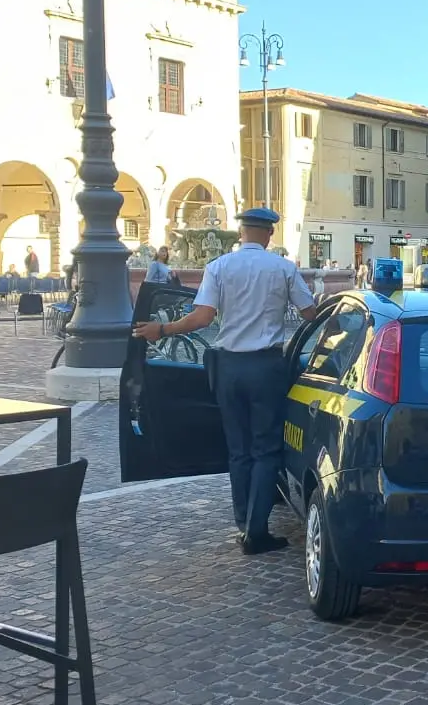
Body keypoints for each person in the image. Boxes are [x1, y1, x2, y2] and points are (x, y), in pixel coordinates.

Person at [131, 207, 315, 555]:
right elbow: (310, 314)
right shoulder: (283, 268)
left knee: (238, 451)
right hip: (266, 367)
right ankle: (257, 532)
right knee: (266, 450)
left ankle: (243, 522)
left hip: (228, 367)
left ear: (241, 232)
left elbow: (202, 318)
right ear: (269, 235)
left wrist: (163, 329)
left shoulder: (218, 267)